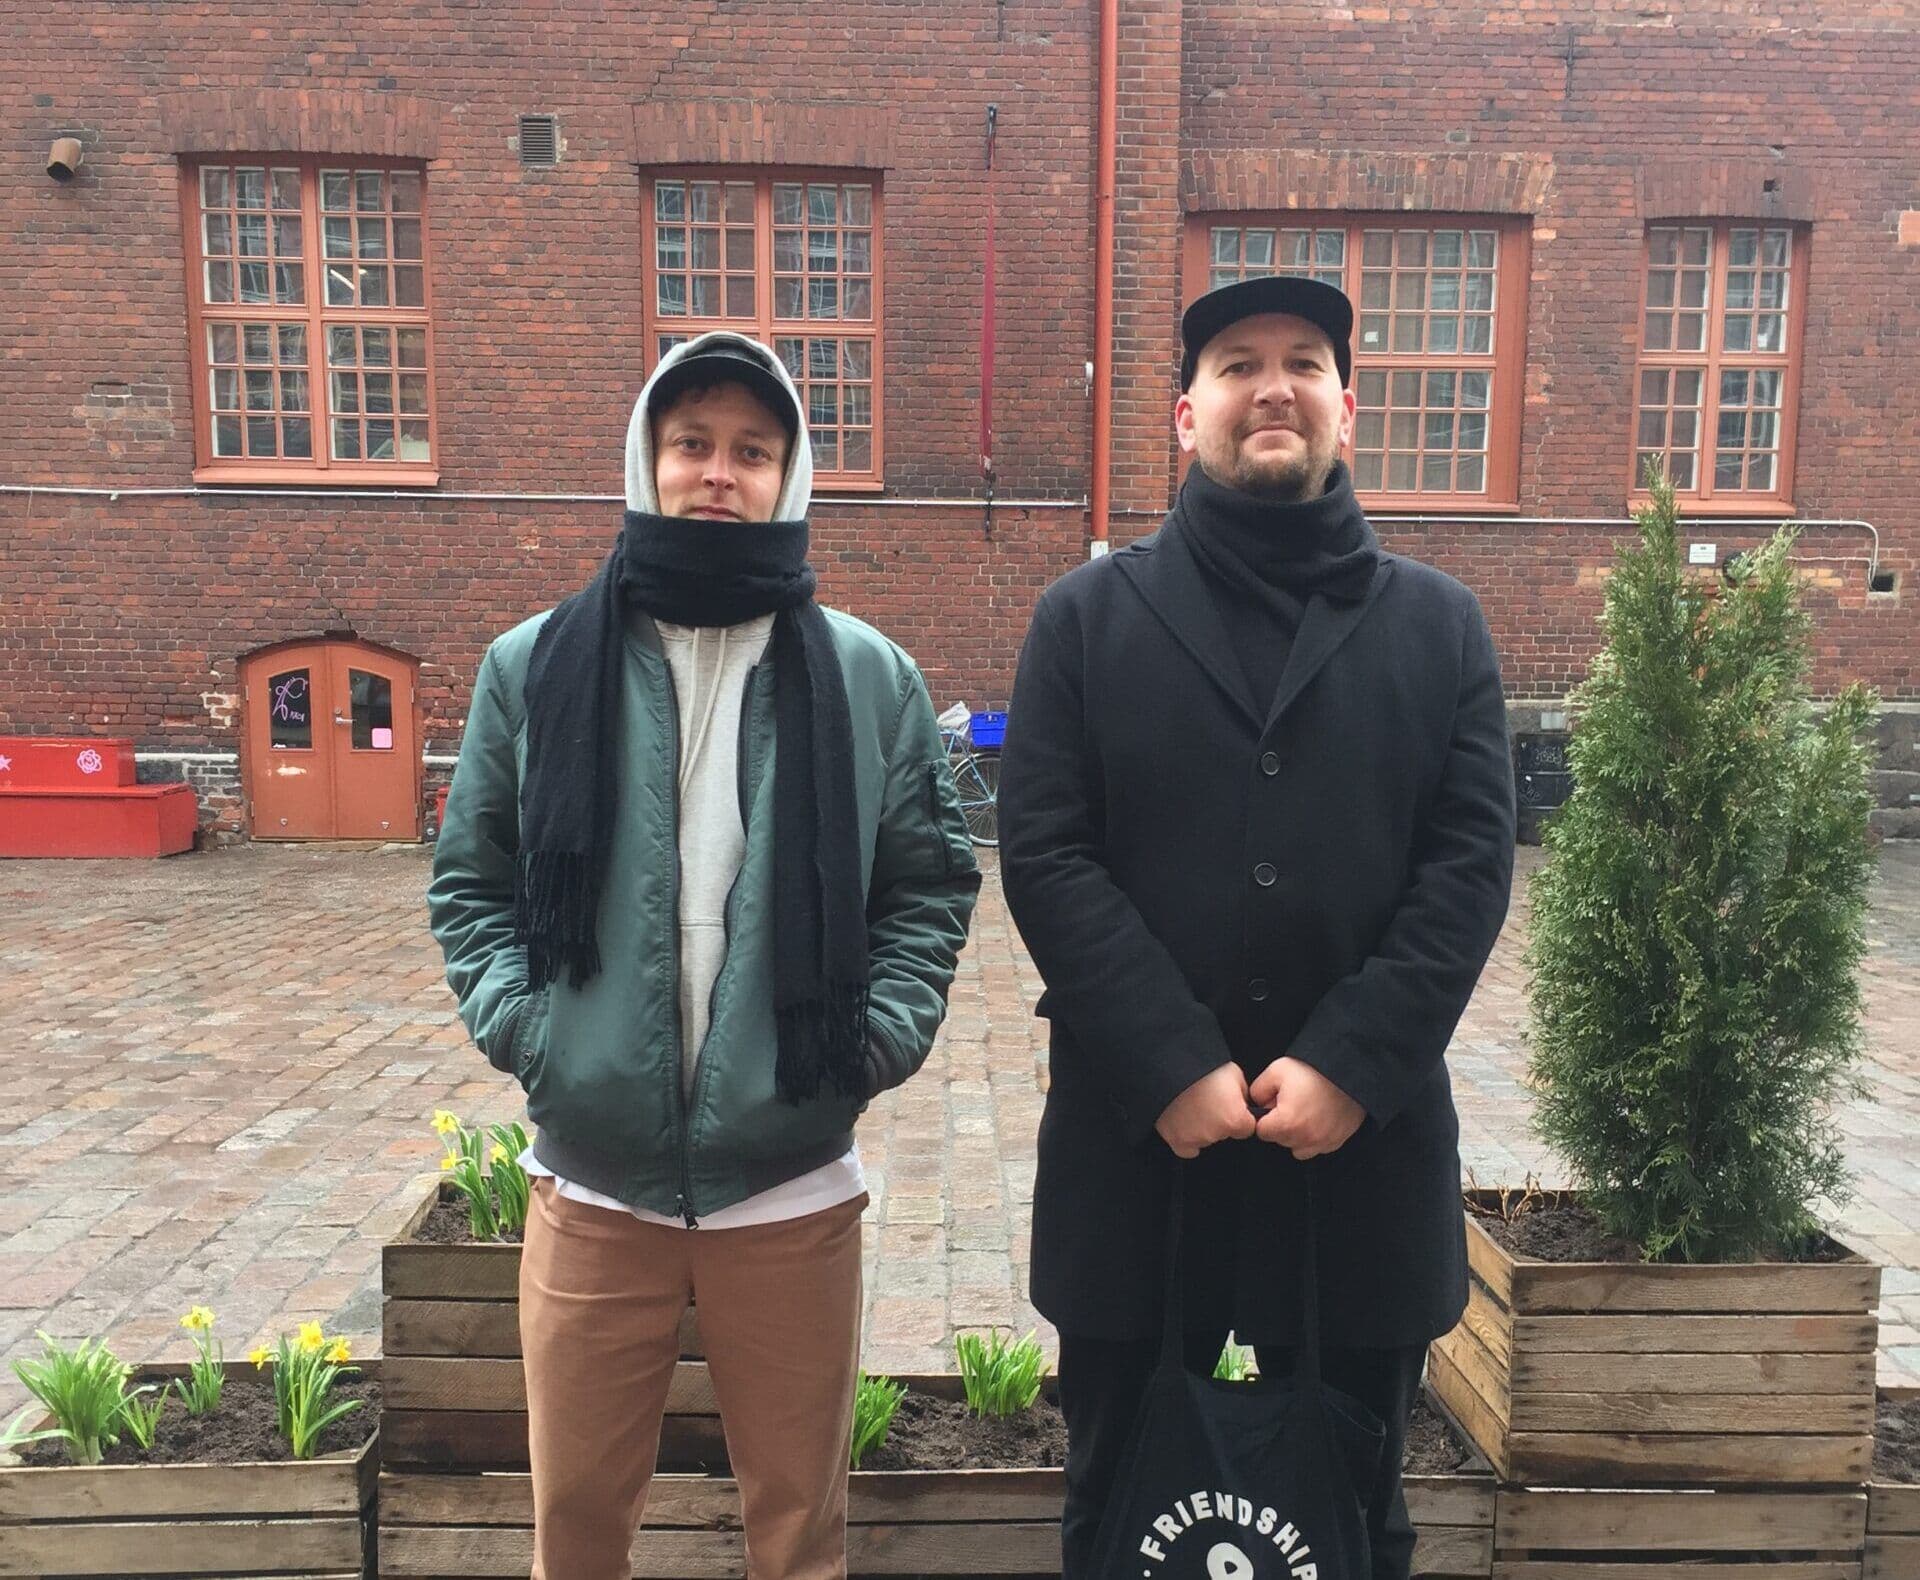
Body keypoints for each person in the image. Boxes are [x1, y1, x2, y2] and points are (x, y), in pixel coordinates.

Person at [429, 330, 980, 1580]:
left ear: (789, 474)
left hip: (789, 1181)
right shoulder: (533, 663)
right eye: (691, 443)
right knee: (575, 1527)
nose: (718, 472)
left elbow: (928, 882)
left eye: (751, 449)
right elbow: (472, 879)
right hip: (594, 1185)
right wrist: (535, 1034)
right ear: (648, 457)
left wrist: (870, 1043)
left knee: (799, 1531)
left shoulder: (869, 675)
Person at [998, 275, 1515, 1579]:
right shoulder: (1084, 622)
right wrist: (1168, 1059)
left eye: (1302, 361)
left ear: (1347, 404)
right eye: (1236, 363)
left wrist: (1354, 1061)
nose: (1271, 385)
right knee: (1120, 1511)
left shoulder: (1439, 626)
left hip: (1358, 1169)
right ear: (1187, 413)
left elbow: (1466, 870)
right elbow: (1047, 855)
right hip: (1140, 1162)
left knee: (1348, 1522)